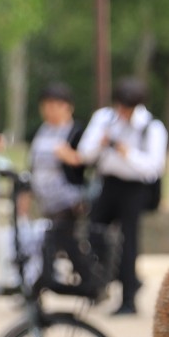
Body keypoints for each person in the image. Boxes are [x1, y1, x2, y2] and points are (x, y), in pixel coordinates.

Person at [79, 76, 168, 315]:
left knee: (128, 242)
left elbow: (153, 168)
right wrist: (102, 142)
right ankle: (109, 280)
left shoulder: (152, 127)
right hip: (108, 183)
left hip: (135, 189)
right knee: (93, 232)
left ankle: (128, 298)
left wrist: (126, 153)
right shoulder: (104, 119)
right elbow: (85, 153)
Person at [28, 83, 100, 297]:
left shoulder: (77, 132)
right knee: (65, 243)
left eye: (55, 105)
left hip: (69, 199)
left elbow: (87, 163)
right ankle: (90, 283)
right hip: (46, 199)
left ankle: (40, 287)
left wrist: (70, 156)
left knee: (55, 239)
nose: (50, 110)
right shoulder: (41, 131)